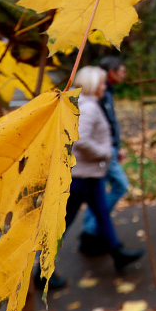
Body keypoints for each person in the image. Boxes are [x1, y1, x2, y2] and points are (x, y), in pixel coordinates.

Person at [35, 66, 143, 291]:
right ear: (94, 85)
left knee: (102, 214)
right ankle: (42, 273)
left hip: (91, 175)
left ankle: (117, 252)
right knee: (62, 226)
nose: (106, 87)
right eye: (103, 83)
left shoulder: (83, 104)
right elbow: (81, 140)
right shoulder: (90, 108)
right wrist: (105, 153)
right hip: (81, 177)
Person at [79, 56, 131, 256]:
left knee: (97, 198)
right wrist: (107, 150)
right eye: (122, 71)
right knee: (119, 186)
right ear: (111, 73)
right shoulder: (94, 101)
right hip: (100, 157)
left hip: (106, 153)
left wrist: (115, 146)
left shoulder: (103, 95)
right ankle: (91, 233)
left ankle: (95, 238)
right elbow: (86, 136)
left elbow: (107, 125)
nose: (124, 75)